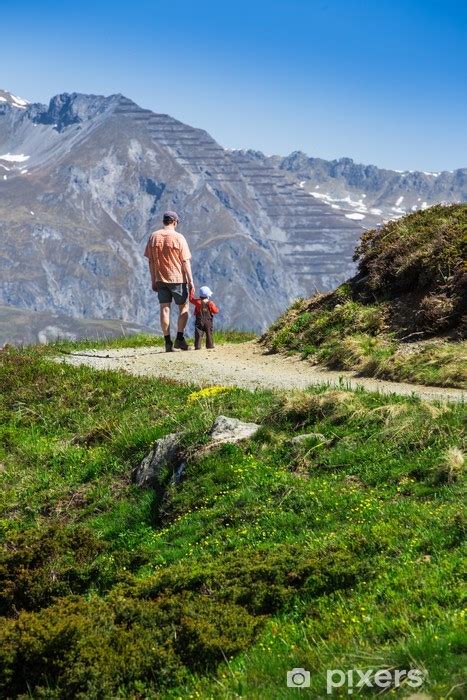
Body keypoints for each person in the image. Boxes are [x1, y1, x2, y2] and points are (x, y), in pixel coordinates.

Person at [144, 211, 195, 352]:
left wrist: (153, 279)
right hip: (178, 278)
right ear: (174, 222)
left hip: (160, 277)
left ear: (164, 221)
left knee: (164, 309)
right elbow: (185, 261)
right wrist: (191, 281)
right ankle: (179, 338)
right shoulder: (179, 238)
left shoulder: (153, 237)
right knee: (183, 308)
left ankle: (167, 342)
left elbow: (151, 261)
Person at [189, 285, 219, 350]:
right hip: (208, 321)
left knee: (198, 333)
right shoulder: (210, 303)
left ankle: (197, 346)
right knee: (209, 333)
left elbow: (191, 299)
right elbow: (215, 311)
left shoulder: (198, 302)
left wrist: (191, 291)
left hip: (199, 321)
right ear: (208, 295)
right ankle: (210, 345)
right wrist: (217, 309)